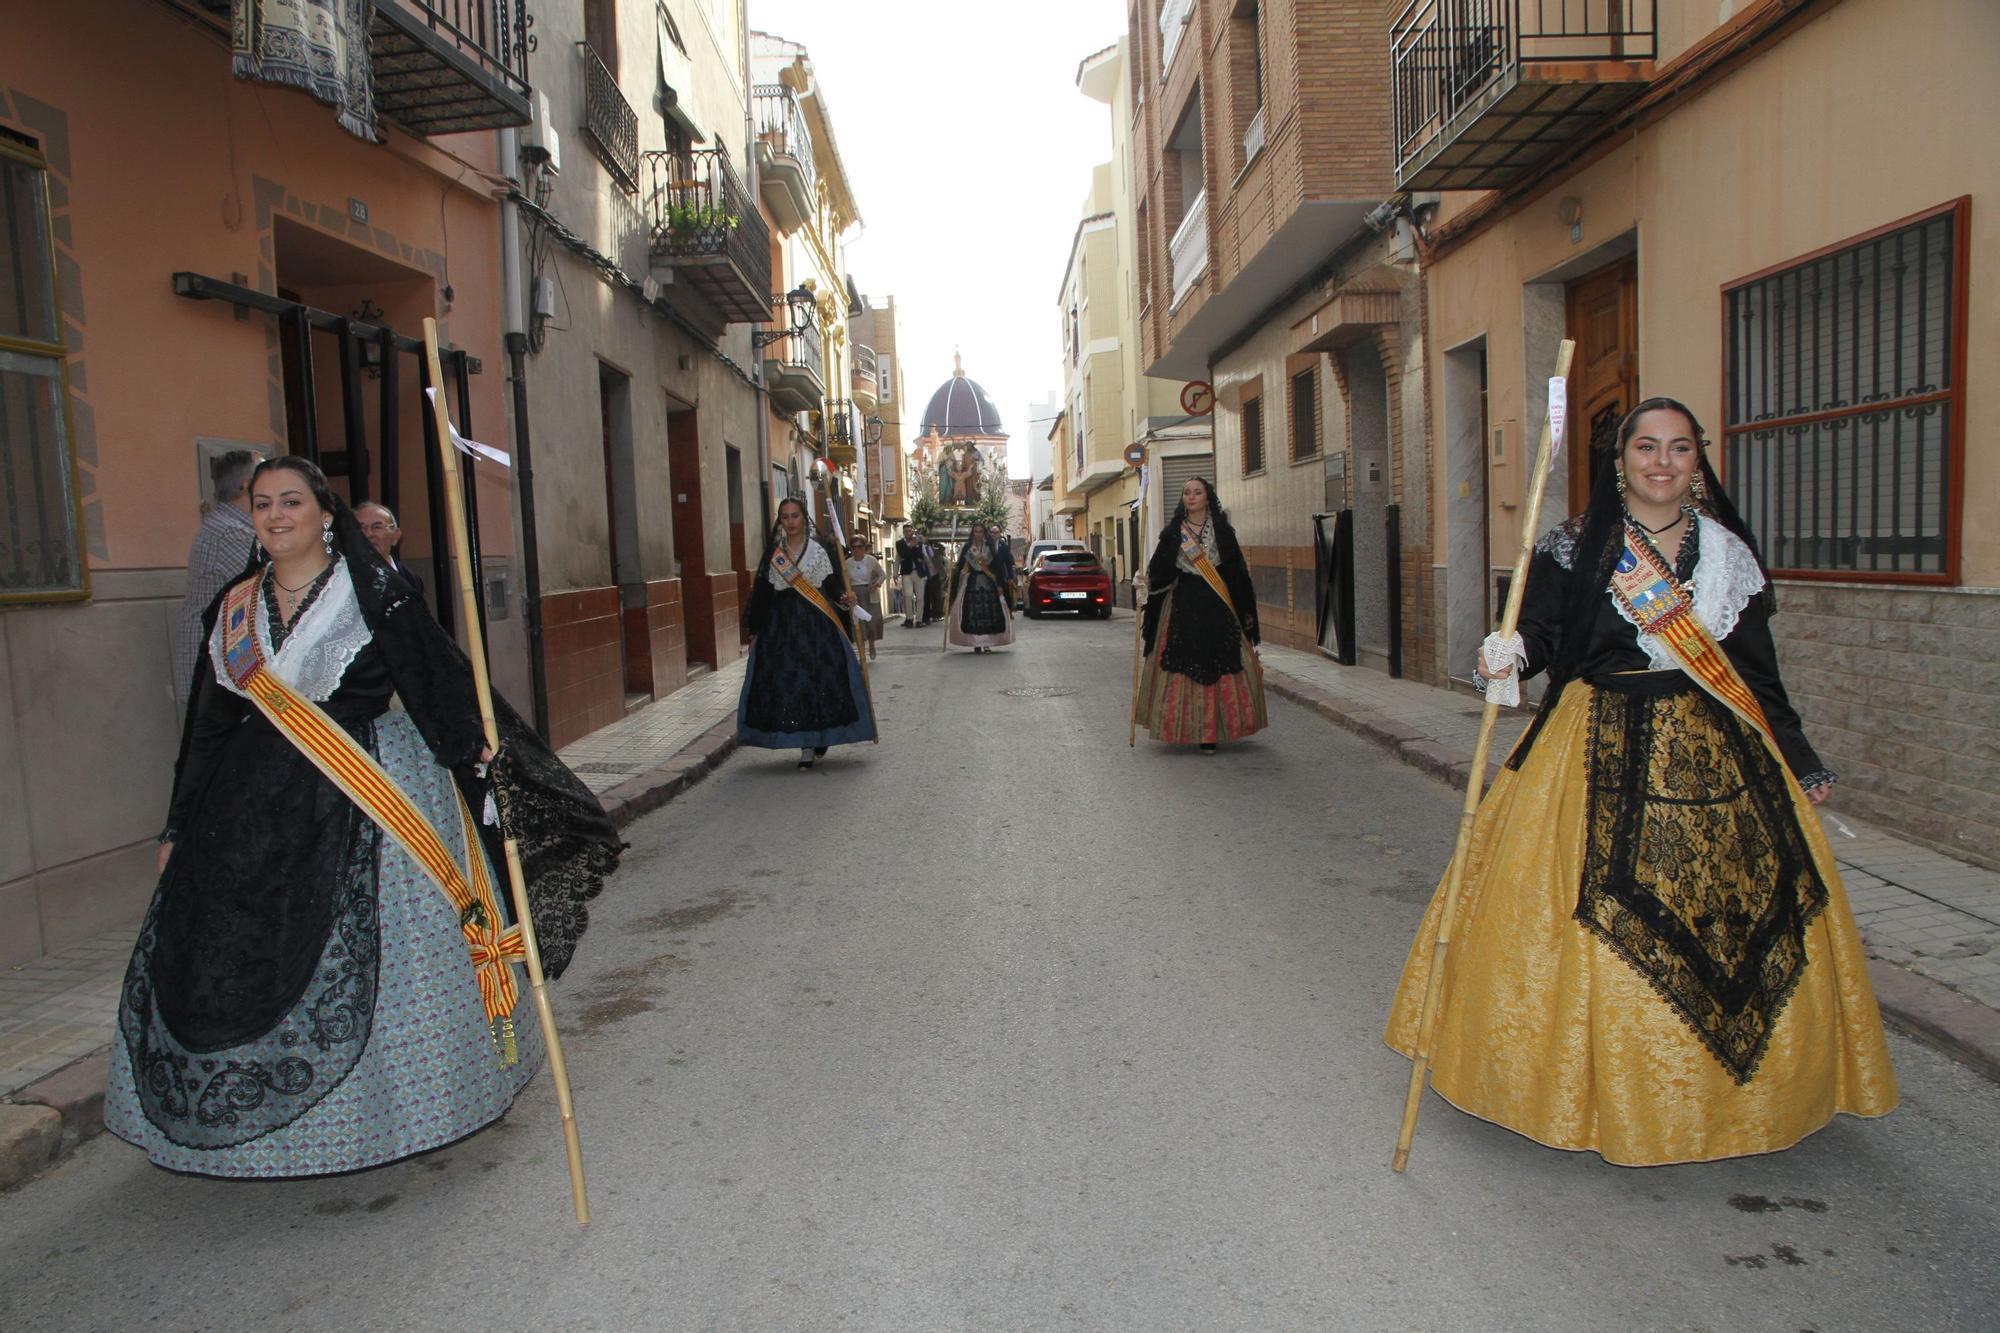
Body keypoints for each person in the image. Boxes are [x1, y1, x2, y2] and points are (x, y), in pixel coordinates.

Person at [1385, 397, 1898, 1165]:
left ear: (1697, 464)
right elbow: (1544, 633)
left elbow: (1756, 671)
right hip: (1593, 738)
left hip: (1716, 747)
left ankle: (1738, 1094)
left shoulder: (1727, 554)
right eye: (1647, 447)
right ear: (1619, 461)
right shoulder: (1573, 546)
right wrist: (1509, 649)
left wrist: (1797, 754)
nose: (1663, 461)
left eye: (1680, 448)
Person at [109, 457, 620, 1179]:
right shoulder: (234, 605)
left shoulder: (376, 591)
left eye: (291, 501)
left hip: (365, 796)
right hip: (245, 812)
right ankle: (254, 1136)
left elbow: (433, 679)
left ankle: (395, 1114)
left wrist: (471, 759)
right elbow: (208, 726)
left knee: (385, 951)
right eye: (262, 504)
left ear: (325, 513)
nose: (277, 515)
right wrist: (177, 825)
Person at [740, 497, 878, 769]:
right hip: (782, 626)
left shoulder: (818, 552)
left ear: (804, 518)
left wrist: (844, 598)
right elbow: (763, 594)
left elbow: (832, 585)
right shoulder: (774, 555)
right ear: (780, 522)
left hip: (816, 623)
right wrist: (756, 628)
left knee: (820, 678)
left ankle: (819, 735)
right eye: (785, 517)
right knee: (791, 681)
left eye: (795, 516)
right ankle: (805, 743)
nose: (790, 522)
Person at [1136, 477, 1266, 752]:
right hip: (1183, 605)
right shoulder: (1173, 533)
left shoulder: (1223, 532)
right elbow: (1160, 572)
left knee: (1224, 660)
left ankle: (1213, 732)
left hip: (1218, 605)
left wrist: (1242, 612)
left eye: (1197, 492)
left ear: (1208, 497)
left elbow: (1237, 573)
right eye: (1187, 493)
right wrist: (1144, 582)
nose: (1191, 497)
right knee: (1181, 660)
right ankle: (1185, 728)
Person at [172, 449, 261, 702]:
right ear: (247, 486)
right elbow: (266, 588)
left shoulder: (234, 527)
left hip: (222, 669)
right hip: (214, 670)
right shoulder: (230, 532)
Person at [946, 520, 1015, 654]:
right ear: (973, 533)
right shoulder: (968, 547)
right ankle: (976, 643)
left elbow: (997, 567)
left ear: (984, 533)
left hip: (988, 582)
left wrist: (1000, 584)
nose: (978, 534)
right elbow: (961, 564)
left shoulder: (989, 547)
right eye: (976, 531)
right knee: (973, 612)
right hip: (972, 582)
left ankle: (987, 644)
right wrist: (954, 572)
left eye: (981, 531)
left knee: (988, 613)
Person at [355, 501, 426, 606]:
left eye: (377, 527)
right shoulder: (343, 577)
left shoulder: (410, 579)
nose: (369, 534)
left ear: (395, 536)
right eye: (361, 527)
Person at [845, 534, 887, 662]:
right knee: (858, 624)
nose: (857, 549)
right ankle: (862, 652)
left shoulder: (871, 560)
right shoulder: (847, 563)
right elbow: (844, 579)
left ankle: (872, 644)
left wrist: (877, 584)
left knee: (872, 622)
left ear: (864, 547)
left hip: (870, 593)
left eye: (860, 546)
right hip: (855, 594)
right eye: (854, 547)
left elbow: (882, 575)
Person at [896, 524, 927, 628]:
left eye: (910, 531)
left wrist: (917, 545)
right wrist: (910, 546)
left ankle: (919, 620)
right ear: (903, 533)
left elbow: (921, 556)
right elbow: (902, 555)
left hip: (918, 572)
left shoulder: (918, 542)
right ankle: (909, 618)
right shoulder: (899, 543)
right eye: (906, 531)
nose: (908, 533)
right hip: (906, 573)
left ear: (912, 531)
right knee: (908, 595)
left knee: (920, 597)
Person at [923, 534, 946, 625]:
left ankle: (937, 615)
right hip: (925, 576)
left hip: (936, 575)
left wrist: (934, 541)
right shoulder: (922, 548)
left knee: (937, 596)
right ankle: (927, 616)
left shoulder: (936, 549)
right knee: (926, 597)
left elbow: (942, 548)